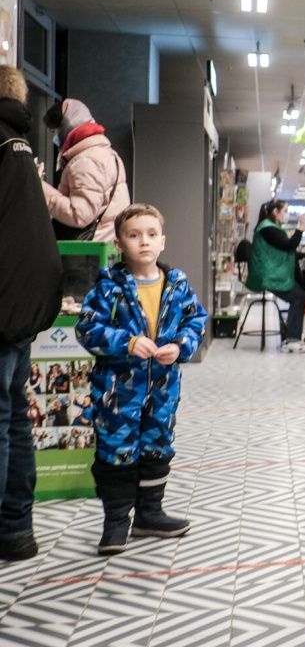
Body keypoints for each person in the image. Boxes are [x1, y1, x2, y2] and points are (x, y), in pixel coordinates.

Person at [76, 203, 208, 555]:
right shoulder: (109, 287)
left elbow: (196, 321)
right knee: (116, 451)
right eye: (134, 236)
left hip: (163, 389)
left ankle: (150, 513)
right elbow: (87, 329)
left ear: (162, 241)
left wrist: (180, 346)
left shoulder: (177, 284)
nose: (144, 242)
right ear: (119, 244)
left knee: (157, 446)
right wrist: (128, 343)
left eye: (151, 235)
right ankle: (116, 522)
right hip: (117, 390)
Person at [0, 65, 63, 561]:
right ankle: (16, 528)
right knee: (15, 414)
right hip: (25, 298)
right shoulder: (20, 144)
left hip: (4, 297)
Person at [42, 98, 131, 242]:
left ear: (66, 127)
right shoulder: (102, 153)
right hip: (103, 244)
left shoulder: (87, 160)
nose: (55, 138)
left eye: (55, 131)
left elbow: (80, 215)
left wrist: (42, 188)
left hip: (89, 249)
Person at [246, 200, 305, 352]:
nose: (287, 214)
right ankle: (291, 340)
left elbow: (285, 250)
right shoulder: (267, 229)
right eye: (285, 211)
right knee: (298, 298)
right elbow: (289, 245)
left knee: (300, 293)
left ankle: (291, 335)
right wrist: (301, 226)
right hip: (271, 275)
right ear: (276, 211)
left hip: (274, 273)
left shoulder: (270, 228)